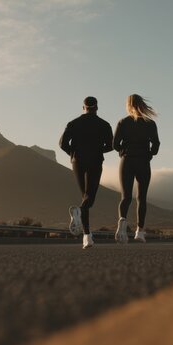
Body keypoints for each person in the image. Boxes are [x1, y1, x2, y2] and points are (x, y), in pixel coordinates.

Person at [60, 96, 114, 249]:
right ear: (97, 108)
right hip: (95, 161)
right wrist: (98, 150)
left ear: (83, 107)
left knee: (85, 196)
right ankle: (86, 234)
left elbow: (62, 143)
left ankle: (87, 236)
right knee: (89, 197)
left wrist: (73, 153)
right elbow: (111, 146)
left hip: (78, 161)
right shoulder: (104, 125)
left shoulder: (73, 123)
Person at [113, 94, 160, 244]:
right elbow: (156, 145)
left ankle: (122, 220)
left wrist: (122, 150)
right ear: (142, 105)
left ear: (128, 105)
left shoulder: (123, 122)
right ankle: (140, 232)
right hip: (143, 162)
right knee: (141, 198)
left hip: (127, 161)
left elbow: (115, 144)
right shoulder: (150, 123)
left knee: (126, 197)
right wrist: (150, 154)